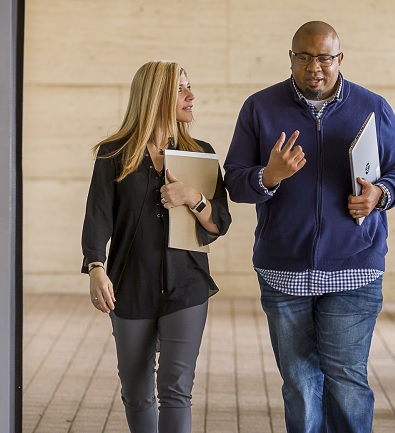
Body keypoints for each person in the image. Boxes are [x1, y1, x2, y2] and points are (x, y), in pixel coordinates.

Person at [223, 21, 395, 433]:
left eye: (324, 57)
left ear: (339, 59)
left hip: (355, 267)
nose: (315, 66)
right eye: (305, 57)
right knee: (299, 383)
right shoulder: (259, 108)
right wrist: (269, 176)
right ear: (291, 58)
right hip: (284, 270)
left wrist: (379, 194)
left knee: (346, 381)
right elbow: (235, 180)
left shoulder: (372, 106)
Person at [81, 60, 231, 433]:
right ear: (156, 96)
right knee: (136, 392)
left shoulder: (201, 153)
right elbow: (98, 216)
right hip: (130, 285)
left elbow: (219, 223)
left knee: (176, 390)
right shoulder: (114, 154)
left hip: (188, 285)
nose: (191, 95)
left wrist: (193, 197)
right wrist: (96, 269)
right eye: (181, 89)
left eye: (188, 87)